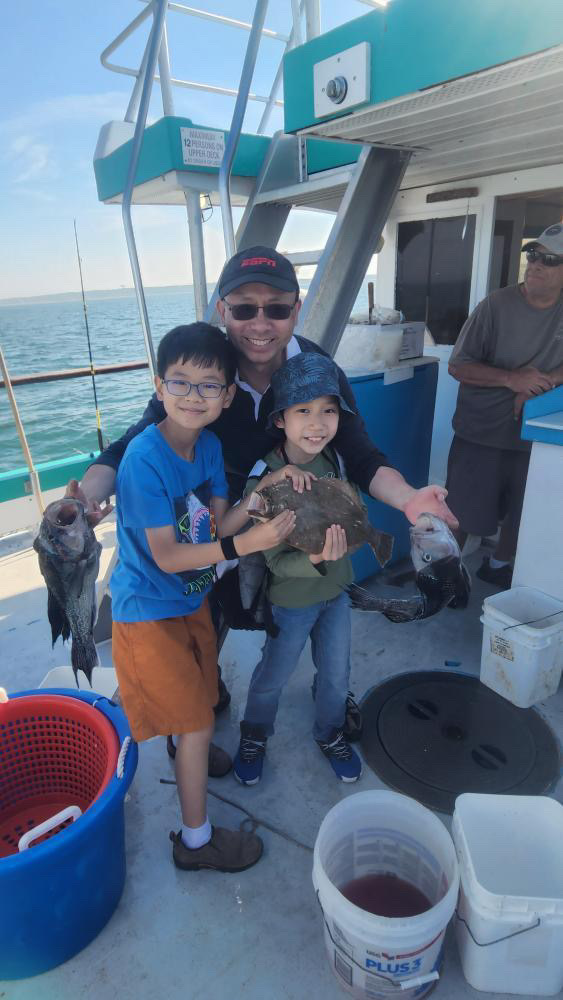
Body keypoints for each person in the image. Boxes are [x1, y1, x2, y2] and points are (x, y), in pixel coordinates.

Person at [71, 245, 457, 721]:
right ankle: (197, 709)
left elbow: (360, 454)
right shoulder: (205, 368)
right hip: (216, 518)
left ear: (295, 310)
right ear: (222, 311)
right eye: (243, 308)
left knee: (304, 608)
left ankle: (331, 693)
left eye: (276, 308)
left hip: (293, 511)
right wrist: (84, 499)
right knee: (207, 619)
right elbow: (128, 447)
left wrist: (409, 499)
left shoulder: (317, 368)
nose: (260, 323)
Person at [111, 321, 300, 871]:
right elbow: (169, 556)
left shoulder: (211, 447)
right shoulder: (143, 459)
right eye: (181, 382)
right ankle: (195, 843)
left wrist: (262, 494)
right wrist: (247, 544)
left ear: (228, 395)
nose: (194, 396)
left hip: (191, 600)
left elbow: (217, 527)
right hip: (148, 611)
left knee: (200, 696)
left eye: (209, 385)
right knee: (198, 723)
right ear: (158, 385)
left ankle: (186, 741)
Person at [233, 353, 367, 786]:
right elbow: (271, 559)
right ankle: (254, 734)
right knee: (272, 675)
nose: (317, 423)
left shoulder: (337, 463)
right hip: (290, 603)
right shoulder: (265, 480)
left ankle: (329, 732)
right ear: (280, 420)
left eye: (328, 410)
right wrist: (313, 558)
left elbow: (353, 514)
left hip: (337, 596)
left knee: (335, 675)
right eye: (303, 411)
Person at [446, 223, 563, 588]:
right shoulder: (495, 305)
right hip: (481, 431)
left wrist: (543, 383)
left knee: (523, 514)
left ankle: (497, 565)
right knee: (461, 513)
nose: (536, 263)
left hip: (535, 434)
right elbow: (458, 366)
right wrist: (513, 379)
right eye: (533, 253)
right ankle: (445, 578)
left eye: (550, 258)